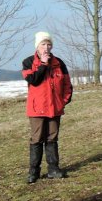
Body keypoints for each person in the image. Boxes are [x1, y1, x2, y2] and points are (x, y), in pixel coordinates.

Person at [21, 31, 73, 183]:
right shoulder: (28, 61)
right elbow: (33, 80)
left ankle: (53, 169)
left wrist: (63, 101)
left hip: (54, 108)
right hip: (37, 109)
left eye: (49, 44)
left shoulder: (59, 63)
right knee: (37, 138)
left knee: (52, 138)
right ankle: (34, 172)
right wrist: (43, 64)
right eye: (43, 44)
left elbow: (67, 84)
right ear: (37, 46)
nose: (46, 47)